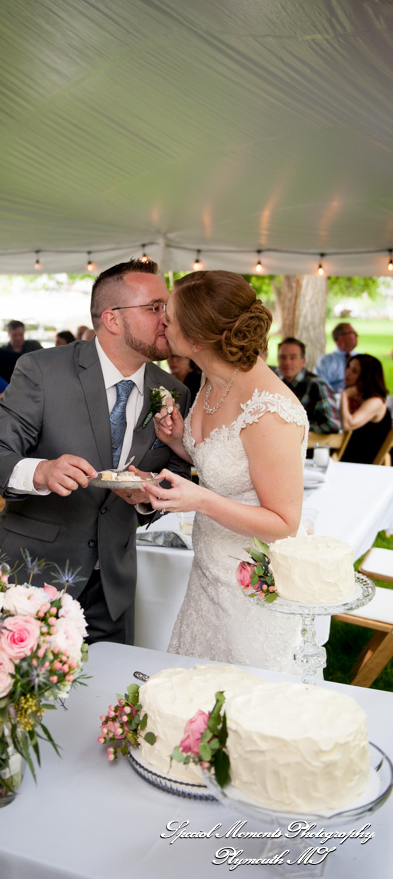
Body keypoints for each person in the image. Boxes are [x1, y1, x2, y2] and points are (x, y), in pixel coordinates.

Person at [0, 259, 191, 645]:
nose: (167, 319)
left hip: (113, 587)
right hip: (31, 576)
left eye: (166, 308)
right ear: (113, 319)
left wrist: (147, 498)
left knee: (107, 698)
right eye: (155, 307)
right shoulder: (42, 370)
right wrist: (39, 472)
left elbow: (177, 476)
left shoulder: (173, 391)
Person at [147, 270, 308, 672]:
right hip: (208, 570)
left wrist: (198, 499)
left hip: (250, 586)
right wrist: (177, 441)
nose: (162, 318)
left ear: (199, 339)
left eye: (171, 314)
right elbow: (225, 461)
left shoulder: (269, 411)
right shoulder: (212, 378)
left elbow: (284, 523)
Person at [277, 337, 340, 433]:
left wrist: (294, 428)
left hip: (312, 446)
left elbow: (332, 424)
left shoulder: (317, 385)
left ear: (303, 361)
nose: (287, 362)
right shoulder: (278, 385)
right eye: (283, 357)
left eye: (292, 358)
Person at [340, 354, 391, 463]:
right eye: (348, 367)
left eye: (354, 371)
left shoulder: (376, 401)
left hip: (363, 460)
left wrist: (344, 395)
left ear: (365, 377)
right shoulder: (356, 397)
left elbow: (347, 424)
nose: (347, 373)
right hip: (348, 453)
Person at [314, 322, 358, 393]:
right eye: (352, 333)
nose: (356, 335)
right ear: (340, 338)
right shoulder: (324, 362)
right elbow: (321, 388)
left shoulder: (363, 359)